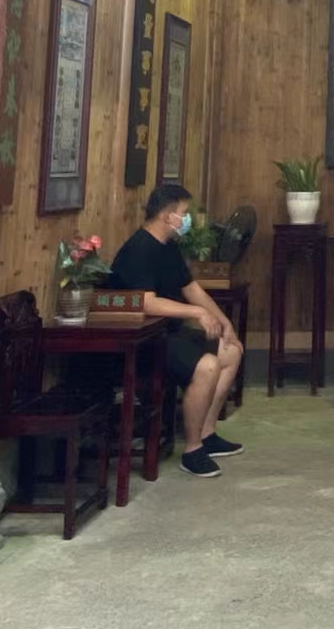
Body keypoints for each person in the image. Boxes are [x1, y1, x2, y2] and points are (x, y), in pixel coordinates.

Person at [108, 183, 245, 479]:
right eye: (183, 213)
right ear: (167, 215)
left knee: (231, 350)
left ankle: (207, 433)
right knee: (207, 366)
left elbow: (191, 288)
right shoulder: (139, 249)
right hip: (145, 341)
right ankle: (192, 450)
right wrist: (196, 313)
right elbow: (146, 302)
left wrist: (224, 321)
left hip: (169, 334)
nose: (186, 219)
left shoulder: (168, 246)